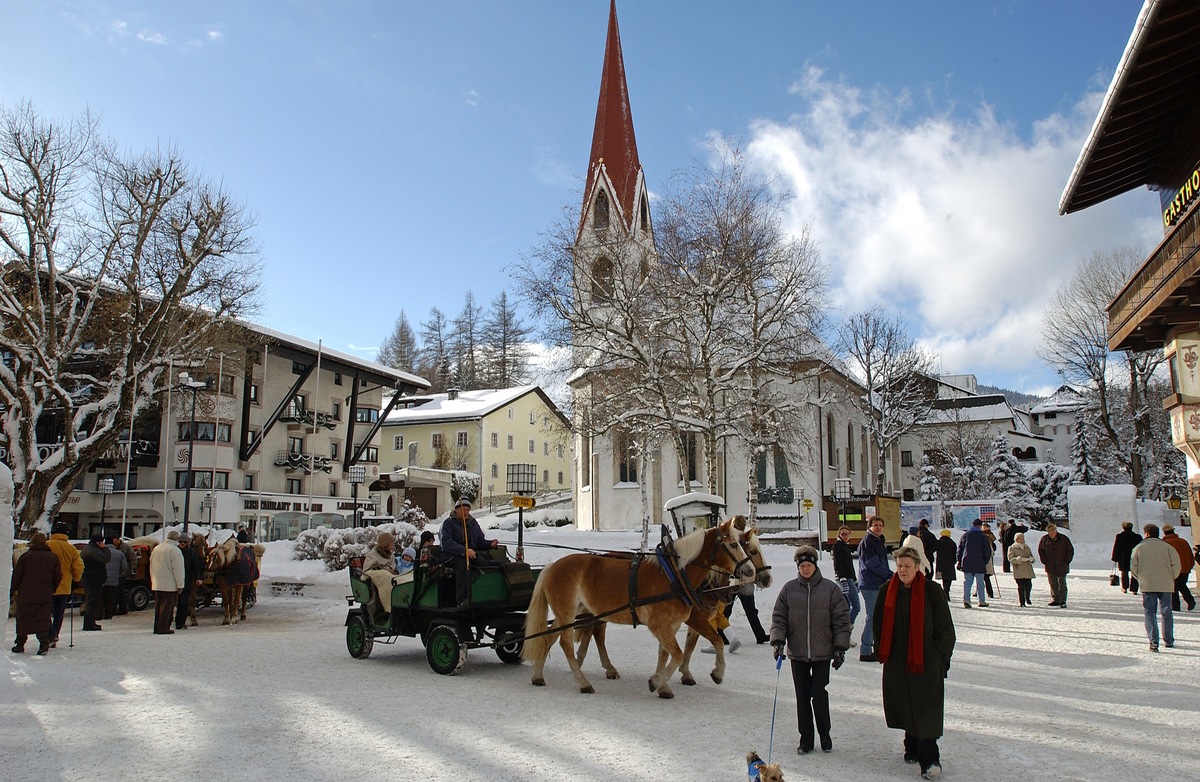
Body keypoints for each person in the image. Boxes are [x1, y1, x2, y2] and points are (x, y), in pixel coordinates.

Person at [873, 545, 956, 780]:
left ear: (918, 567)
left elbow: (945, 629)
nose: (902, 571)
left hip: (926, 663)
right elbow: (878, 626)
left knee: (926, 710)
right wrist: (883, 652)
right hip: (898, 663)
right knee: (905, 705)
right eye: (899, 566)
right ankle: (911, 744)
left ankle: (930, 759)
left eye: (907, 566)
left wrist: (940, 657)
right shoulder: (886, 590)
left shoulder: (932, 591)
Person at [770, 545, 851, 755]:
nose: (805, 569)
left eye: (809, 565)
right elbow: (779, 618)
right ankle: (806, 738)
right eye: (802, 566)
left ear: (815, 566)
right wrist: (778, 641)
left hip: (822, 651)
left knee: (819, 693)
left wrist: (840, 647)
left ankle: (825, 734)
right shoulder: (789, 589)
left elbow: (841, 619)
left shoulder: (830, 589)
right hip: (798, 652)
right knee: (802, 696)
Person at [440, 497, 500, 606]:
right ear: (456, 510)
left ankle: (484, 593)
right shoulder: (448, 523)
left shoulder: (473, 523)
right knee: (464, 563)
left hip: (471, 554)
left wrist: (490, 544)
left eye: (468, 510)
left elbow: (480, 542)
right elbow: (447, 543)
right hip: (451, 556)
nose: (466, 512)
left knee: (484, 564)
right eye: (463, 510)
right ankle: (462, 599)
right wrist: (464, 551)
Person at [1130, 523, 1180, 652]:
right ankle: (1168, 640)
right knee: (1166, 612)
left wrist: (1140, 578)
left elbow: (1133, 566)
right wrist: (1171, 577)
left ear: (1146, 533)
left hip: (1148, 583)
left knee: (1150, 612)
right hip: (1166, 583)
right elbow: (1176, 565)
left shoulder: (1139, 548)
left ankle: (1153, 641)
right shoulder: (1167, 547)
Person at [10, 533, 61, 655]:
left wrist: (12, 590)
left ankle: (20, 644)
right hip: (44, 594)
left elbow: (17, 575)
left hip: (26, 594)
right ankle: (43, 643)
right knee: (42, 618)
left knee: (23, 618)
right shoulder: (53, 557)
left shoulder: (26, 557)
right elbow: (58, 576)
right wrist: (52, 588)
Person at [46, 522, 83, 647]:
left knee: (45, 611)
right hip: (65, 585)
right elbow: (78, 567)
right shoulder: (71, 548)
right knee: (58, 613)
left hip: (48, 584)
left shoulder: (47, 545)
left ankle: (50, 633)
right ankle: (55, 634)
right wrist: (76, 580)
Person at [149, 530, 185, 634]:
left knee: (158, 606)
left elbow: (151, 565)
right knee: (167, 607)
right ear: (176, 539)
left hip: (157, 582)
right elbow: (178, 569)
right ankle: (163, 628)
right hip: (169, 584)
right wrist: (180, 585)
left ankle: (157, 627)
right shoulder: (174, 550)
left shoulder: (157, 548)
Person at [831, 526, 861, 645]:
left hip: (849, 579)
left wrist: (854, 580)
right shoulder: (838, 546)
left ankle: (843, 635)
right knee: (856, 607)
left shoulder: (845, 547)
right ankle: (846, 631)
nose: (845, 536)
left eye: (847, 534)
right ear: (839, 534)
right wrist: (843, 579)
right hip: (844, 579)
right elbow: (838, 564)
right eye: (843, 534)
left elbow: (849, 566)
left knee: (846, 607)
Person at [1037, 523, 1074, 608]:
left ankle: (1063, 600)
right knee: (1053, 583)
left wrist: (1066, 561)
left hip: (1062, 565)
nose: (1051, 533)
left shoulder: (1064, 539)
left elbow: (1070, 551)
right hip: (1050, 565)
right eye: (1049, 532)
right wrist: (1044, 561)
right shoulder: (1044, 539)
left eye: (1052, 531)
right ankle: (1055, 599)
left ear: (1055, 530)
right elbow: (1041, 551)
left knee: (1062, 583)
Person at [956, 520, 990, 608]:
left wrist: (959, 560)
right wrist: (985, 561)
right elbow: (987, 550)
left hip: (967, 561)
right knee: (980, 583)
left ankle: (966, 600)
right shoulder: (983, 536)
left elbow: (960, 549)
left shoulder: (966, 535)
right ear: (980, 526)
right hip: (980, 562)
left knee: (967, 582)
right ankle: (981, 601)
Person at [79, 534, 110, 631]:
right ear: (99, 542)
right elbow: (106, 558)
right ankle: (89, 624)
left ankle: (90, 622)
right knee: (92, 602)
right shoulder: (93, 550)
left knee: (91, 601)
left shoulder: (89, 549)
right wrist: (105, 548)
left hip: (90, 578)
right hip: (93, 579)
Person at [1161, 524, 1195, 612]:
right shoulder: (1183, 541)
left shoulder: (1164, 544)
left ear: (1164, 533)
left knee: (1173, 587)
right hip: (1185, 568)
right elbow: (1190, 554)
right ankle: (1190, 600)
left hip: (1171, 569)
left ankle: (1176, 605)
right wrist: (1190, 565)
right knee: (1182, 585)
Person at [176, 534, 205, 630]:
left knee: (184, 602)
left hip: (186, 580)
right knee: (174, 602)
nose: (182, 543)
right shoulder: (175, 551)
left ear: (188, 543)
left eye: (184, 542)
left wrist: (198, 578)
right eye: (180, 542)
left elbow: (196, 566)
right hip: (174, 580)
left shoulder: (192, 553)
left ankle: (181, 622)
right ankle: (170, 621)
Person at [109, 534, 139, 615]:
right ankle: (123, 609)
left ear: (118, 539)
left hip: (123, 572)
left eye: (114, 539)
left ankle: (115, 609)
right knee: (121, 591)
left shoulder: (126, 547)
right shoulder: (112, 547)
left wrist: (133, 570)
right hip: (116, 572)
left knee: (118, 591)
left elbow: (133, 558)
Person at [101, 535, 129, 620]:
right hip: (114, 580)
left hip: (102, 579)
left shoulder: (101, 552)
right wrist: (119, 574)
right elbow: (125, 567)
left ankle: (99, 613)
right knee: (111, 598)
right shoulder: (120, 554)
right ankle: (109, 614)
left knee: (101, 597)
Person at [1111, 521, 1143, 594]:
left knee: (1124, 572)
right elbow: (1141, 547)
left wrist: (1115, 557)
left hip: (1123, 557)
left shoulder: (1119, 536)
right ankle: (1134, 589)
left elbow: (1117, 547)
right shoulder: (1137, 536)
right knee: (1135, 573)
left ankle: (1124, 588)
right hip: (1134, 556)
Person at [1007, 532, 1035, 607]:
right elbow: (1010, 558)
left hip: (1027, 569)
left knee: (1029, 585)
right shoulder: (1012, 547)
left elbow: (1031, 556)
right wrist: (1019, 559)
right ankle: (1022, 602)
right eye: (1020, 538)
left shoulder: (1026, 547)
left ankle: (1027, 597)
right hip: (1019, 570)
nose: (1022, 540)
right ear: (1016, 539)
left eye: (1023, 538)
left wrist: (1031, 559)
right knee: (1021, 586)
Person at [934, 530, 957, 596]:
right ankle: (947, 590)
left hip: (940, 563)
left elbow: (932, 549)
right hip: (950, 563)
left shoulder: (938, 542)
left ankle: (945, 590)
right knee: (949, 578)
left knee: (944, 577)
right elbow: (954, 553)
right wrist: (954, 561)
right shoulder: (952, 543)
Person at [980, 523, 997, 599]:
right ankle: (979, 591)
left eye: (985, 527)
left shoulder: (989, 534)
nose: (984, 528)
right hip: (984, 556)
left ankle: (988, 592)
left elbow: (994, 539)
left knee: (984, 576)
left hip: (988, 555)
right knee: (982, 577)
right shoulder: (980, 534)